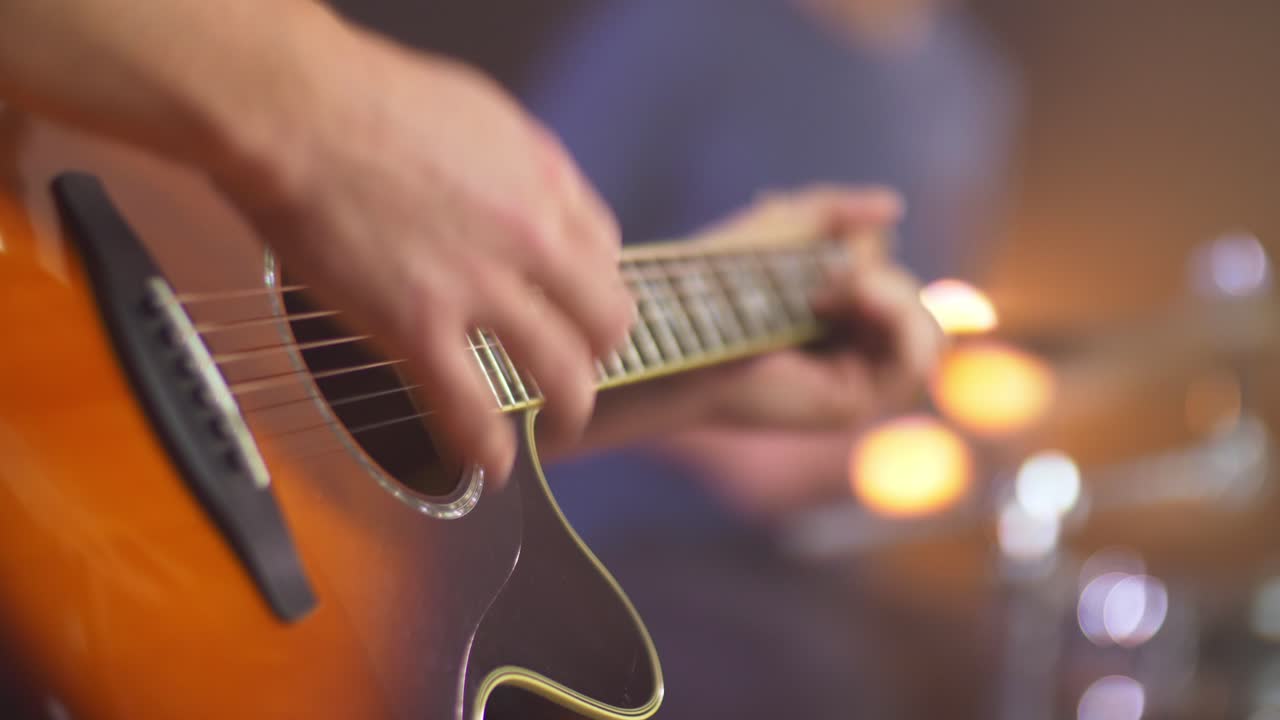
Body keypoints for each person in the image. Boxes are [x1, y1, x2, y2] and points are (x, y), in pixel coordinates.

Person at [0, 0, 941, 481]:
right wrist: (322, 111)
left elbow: (279, 394)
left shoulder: (961, 91)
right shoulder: (695, 27)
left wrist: (692, 372)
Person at [524, 0, 1014, 716]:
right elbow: (512, 292)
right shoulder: (679, 27)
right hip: (616, 545)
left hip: (816, 565)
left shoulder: (968, 84)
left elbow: (930, 316)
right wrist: (732, 440)